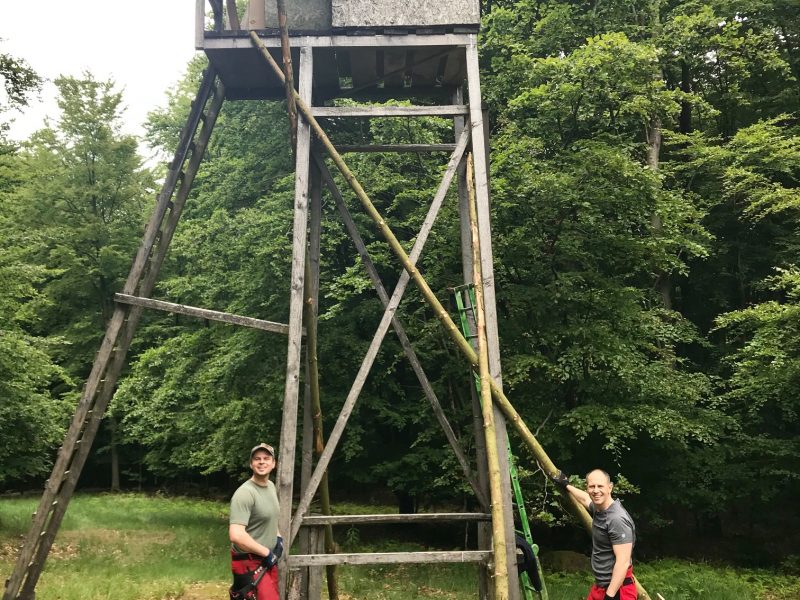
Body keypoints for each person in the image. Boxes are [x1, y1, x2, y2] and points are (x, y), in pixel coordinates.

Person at [552, 468, 637, 600]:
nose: (596, 490)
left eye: (600, 486)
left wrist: (609, 596)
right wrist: (566, 485)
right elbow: (586, 499)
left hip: (617, 591)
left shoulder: (616, 519)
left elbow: (623, 562)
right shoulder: (600, 509)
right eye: (592, 486)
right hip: (601, 587)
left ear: (610, 488)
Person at [229, 443, 283, 600]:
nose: (262, 462)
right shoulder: (245, 493)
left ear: (274, 464)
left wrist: (278, 538)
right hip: (249, 561)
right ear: (251, 464)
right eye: (257, 459)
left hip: (267, 560)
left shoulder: (271, 487)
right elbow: (236, 535)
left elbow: (271, 518)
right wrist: (266, 553)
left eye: (266, 458)